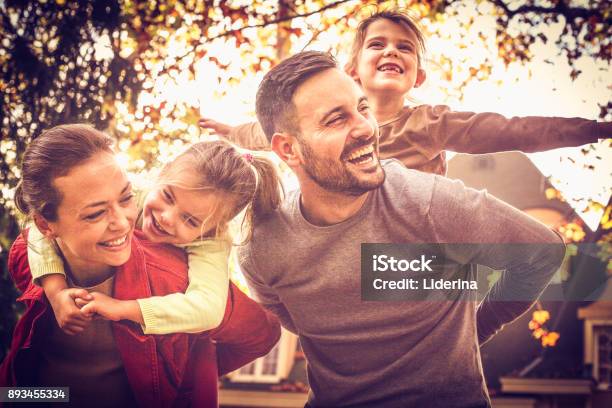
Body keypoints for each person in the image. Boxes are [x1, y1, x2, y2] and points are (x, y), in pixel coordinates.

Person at [237, 51, 566, 407]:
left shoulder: (428, 203)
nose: (365, 127)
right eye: (335, 120)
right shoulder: (262, 249)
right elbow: (293, 323)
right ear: (289, 149)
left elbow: (541, 253)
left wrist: (478, 328)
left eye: (363, 109)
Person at [0, 124, 281, 407]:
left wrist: (185, 372)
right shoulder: (31, 257)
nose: (123, 221)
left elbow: (241, 324)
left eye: (125, 198)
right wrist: (56, 290)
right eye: (96, 213)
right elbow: (31, 238)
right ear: (47, 224)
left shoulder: (179, 273)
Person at [200, 9, 610, 175]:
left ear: (418, 77)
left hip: (413, 246)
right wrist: (229, 131)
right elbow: (268, 133)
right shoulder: (327, 123)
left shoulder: (430, 123)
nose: (391, 50)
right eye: (377, 44)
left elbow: (513, 130)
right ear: (351, 71)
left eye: (405, 48)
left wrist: (595, 130)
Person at [27, 138, 282, 336]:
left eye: (190, 220)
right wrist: (56, 291)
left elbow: (208, 309)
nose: (168, 217)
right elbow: (42, 225)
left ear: (212, 228)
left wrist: (122, 308)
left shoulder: (213, 240)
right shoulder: (129, 194)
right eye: (168, 197)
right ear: (162, 174)